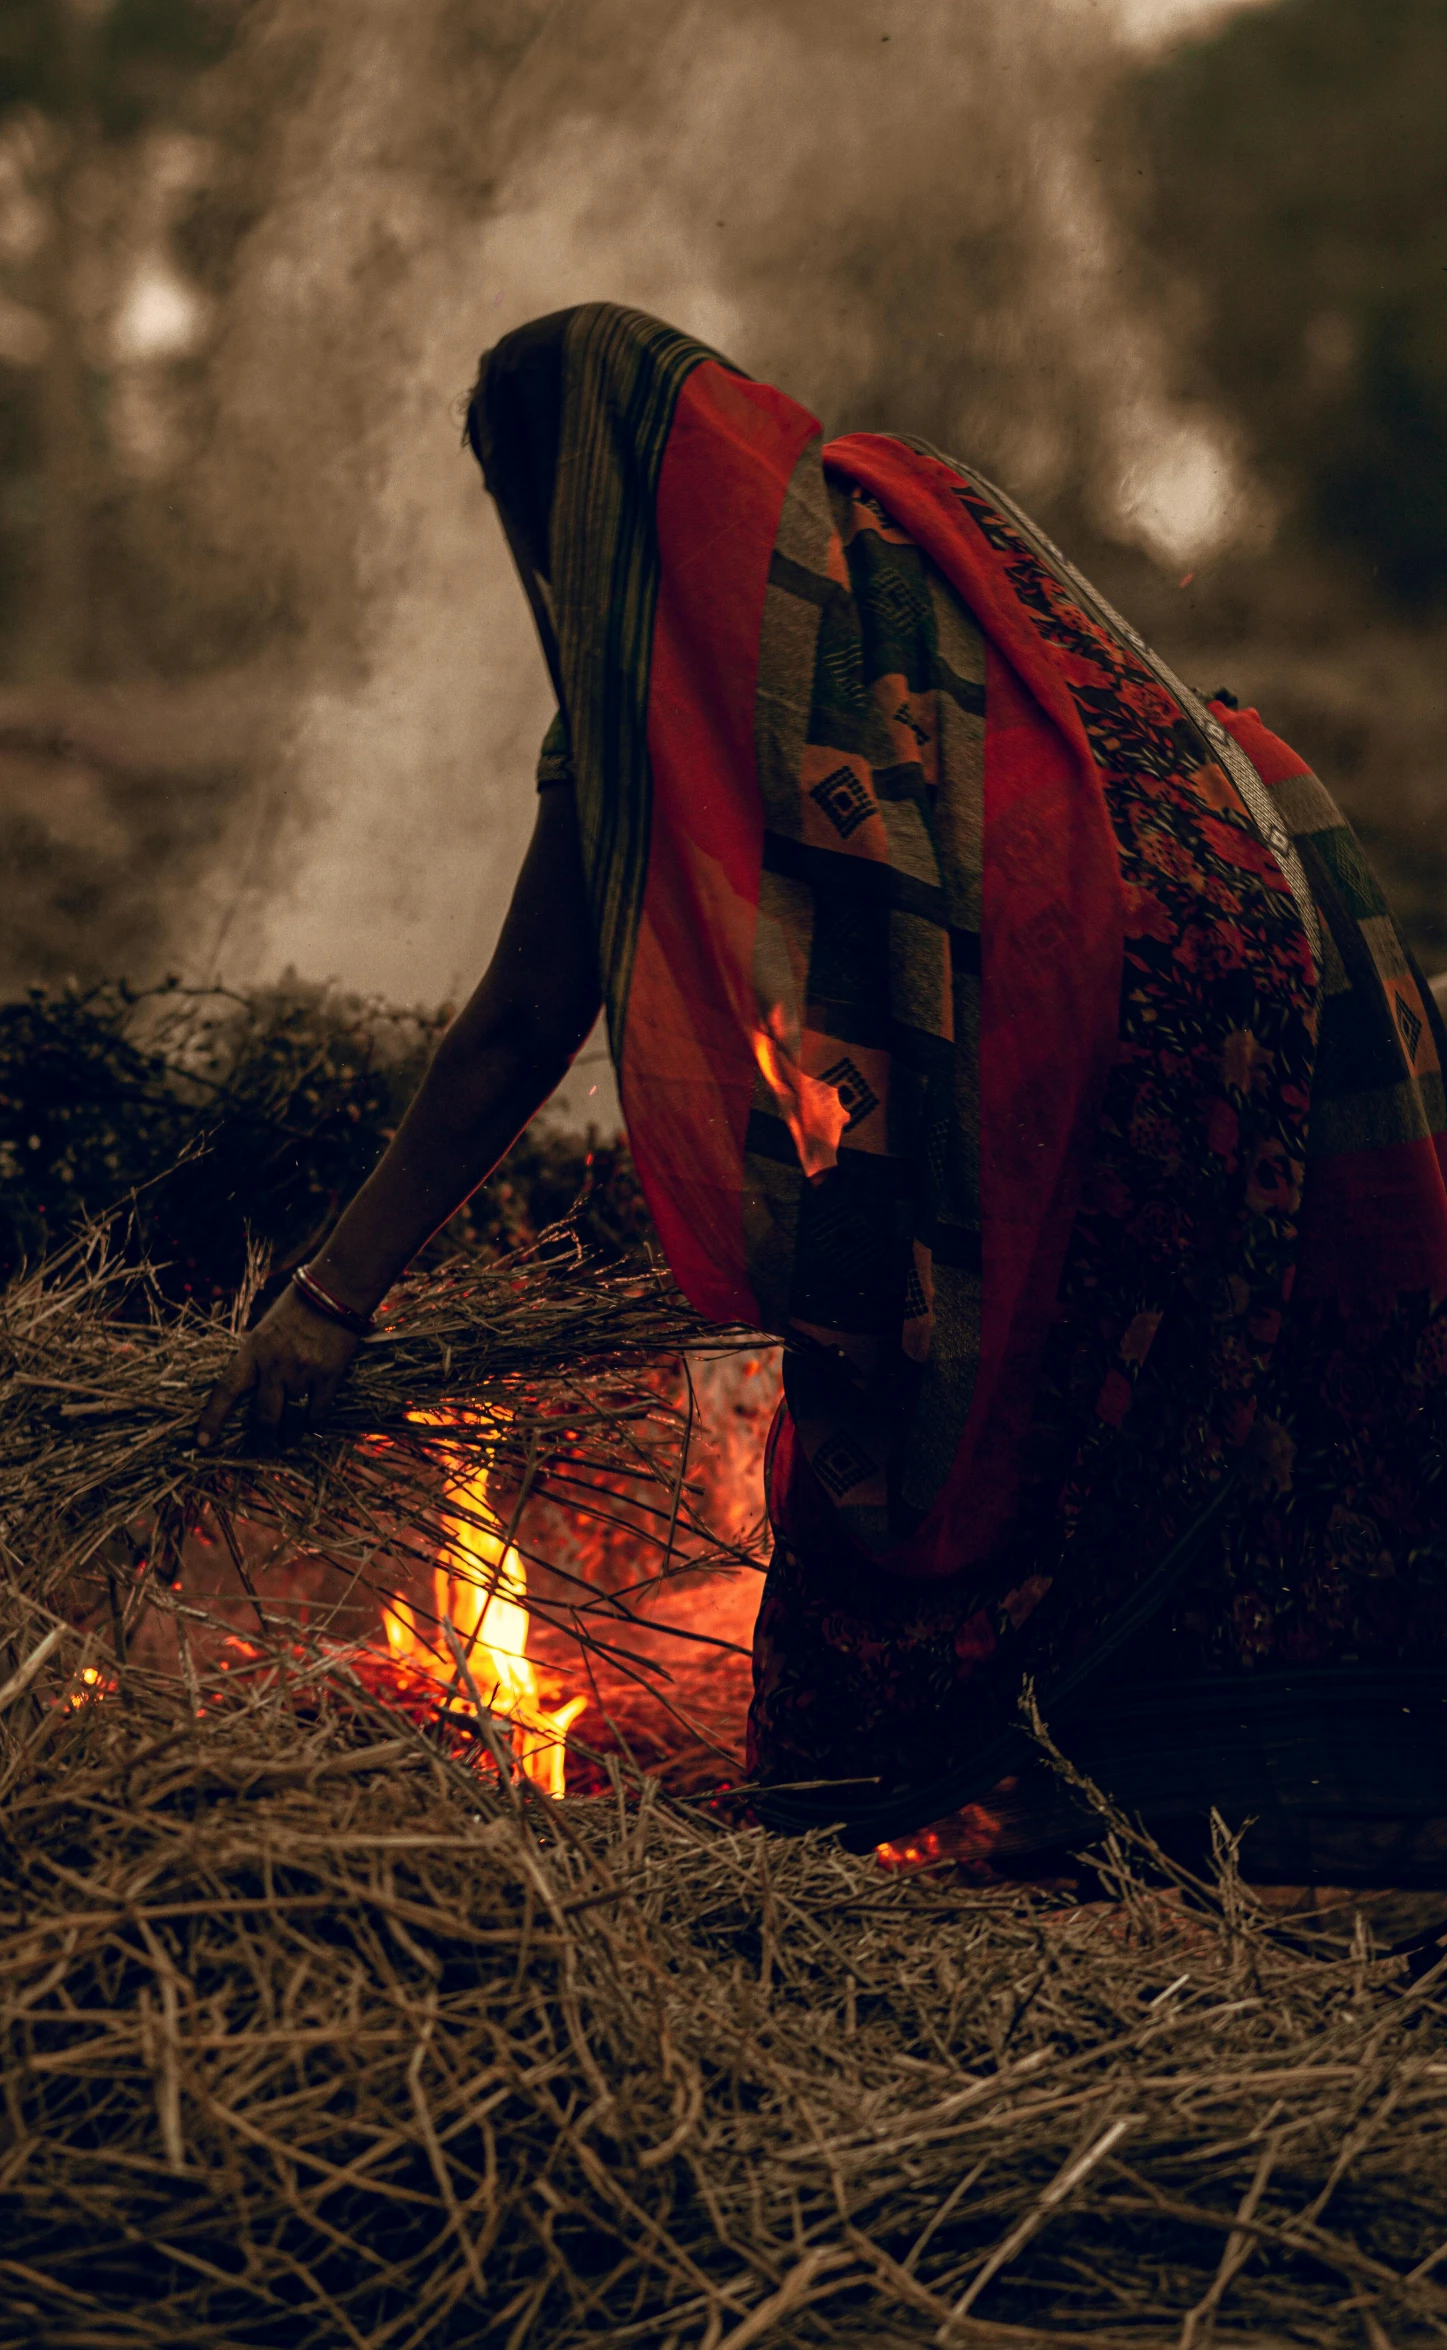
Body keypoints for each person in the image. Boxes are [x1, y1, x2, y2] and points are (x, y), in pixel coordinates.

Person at [199, 303, 1447, 1882]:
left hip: (1117, 1023)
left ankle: (938, 1789)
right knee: (1193, 1394)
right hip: (1280, 910)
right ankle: (1251, 1785)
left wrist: (329, 1295)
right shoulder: (893, 534)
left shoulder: (648, 699)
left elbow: (523, 1023)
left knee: (937, 1423)